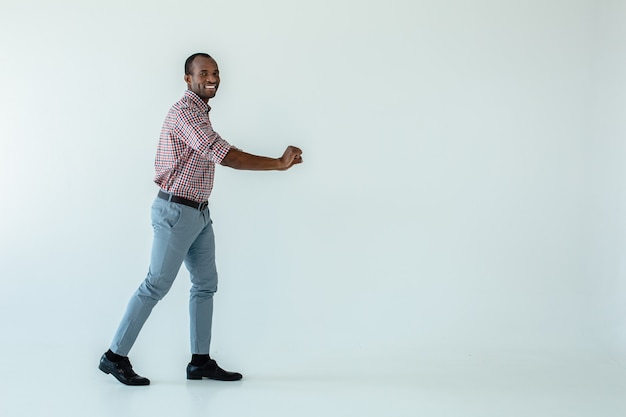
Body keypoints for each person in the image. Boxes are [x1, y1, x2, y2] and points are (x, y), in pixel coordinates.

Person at [98, 52, 303, 386]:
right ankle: (114, 356)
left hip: (199, 213)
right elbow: (227, 156)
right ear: (187, 79)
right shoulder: (186, 115)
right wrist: (278, 164)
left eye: (216, 72)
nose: (212, 78)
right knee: (155, 285)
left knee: (206, 285)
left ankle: (200, 362)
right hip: (175, 212)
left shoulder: (200, 113)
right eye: (204, 73)